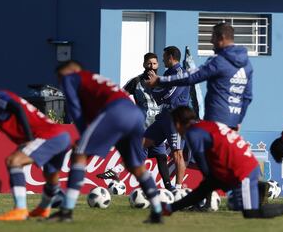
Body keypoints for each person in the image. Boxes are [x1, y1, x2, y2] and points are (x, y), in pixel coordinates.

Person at [49, 60, 162, 223]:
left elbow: (74, 109)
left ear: (71, 70)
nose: (60, 81)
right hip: (135, 114)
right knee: (136, 165)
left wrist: (83, 138)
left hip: (115, 112)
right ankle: (158, 212)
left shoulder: (71, 78)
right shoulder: (93, 80)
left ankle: (66, 211)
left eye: (60, 76)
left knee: (79, 155)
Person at [162, 106, 283, 220]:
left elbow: (205, 168)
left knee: (251, 212)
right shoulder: (206, 125)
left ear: (177, 124)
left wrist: (217, 185)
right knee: (211, 192)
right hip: (243, 164)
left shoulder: (193, 133)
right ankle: (169, 209)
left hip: (242, 169)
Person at [0, 72, 72, 221]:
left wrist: (28, 139)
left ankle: (20, 210)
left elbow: (17, 108)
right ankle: (45, 208)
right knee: (50, 174)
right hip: (62, 136)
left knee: (13, 161)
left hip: (48, 136)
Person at [146, 23, 252, 131]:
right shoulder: (247, 64)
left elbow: (192, 76)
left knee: (200, 144)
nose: (211, 41)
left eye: (213, 37)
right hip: (233, 121)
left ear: (222, 38)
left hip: (216, 119)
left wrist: (160, 80)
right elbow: (247, 97)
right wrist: (238, 120)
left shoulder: (219, 60)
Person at [97, 53, 175, 191]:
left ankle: (169, 188)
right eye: (149, 63)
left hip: (158, 126)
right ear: (144, 64)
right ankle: (167, 188)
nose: (152, 66)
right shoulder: (136, 81)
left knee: (161, 156)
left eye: (155, 63)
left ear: (158, 65)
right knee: (147, 156)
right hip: (142, 126)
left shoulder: (163, 81)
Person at [143, 46, 190, 190]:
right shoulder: (168, 72)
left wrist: (154, 89)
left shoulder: (180, 73)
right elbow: (159, 92)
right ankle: (120, 174)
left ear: (170, 57)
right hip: (163, 117)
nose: (162, 60)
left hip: (176, 119)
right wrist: (154, 88)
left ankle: (178, 188)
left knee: (177, 153)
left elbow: (170, 95)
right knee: (142, 143)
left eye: (163, 57)